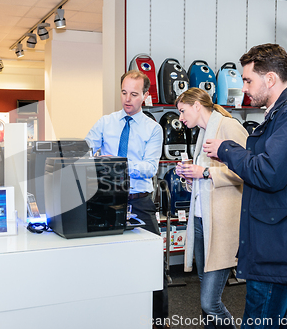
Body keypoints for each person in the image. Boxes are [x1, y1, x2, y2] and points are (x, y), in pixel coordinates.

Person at [203, 43, 287, 328]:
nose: (245, 87)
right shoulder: (284, 114)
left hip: (279, 251)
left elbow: (268, 172)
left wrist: (227, 149)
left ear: (270, 79)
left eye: (249, 80)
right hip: (277, 244)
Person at [85, 70, 168, 329]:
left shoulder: (153, 129)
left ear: (145, 95)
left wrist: (113, 163)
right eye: (123, 92)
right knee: (107, 262)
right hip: (107, 201)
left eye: (134, 94)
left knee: (153, 263)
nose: (127, 99)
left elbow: (149, 168)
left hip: (140, 201)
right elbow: (84, 152)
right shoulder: (105, 123)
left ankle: (160, 319)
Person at [174, 88, 248, 329]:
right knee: (206, 292)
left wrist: (204, 172)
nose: (181, 118)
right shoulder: (203, 132)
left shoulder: (228, 126)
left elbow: (246, 171)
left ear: (197, 105)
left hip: (221, 224)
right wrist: (189, 175)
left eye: (183, 111)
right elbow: (203, 181)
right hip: (201, 220)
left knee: (209, 302)